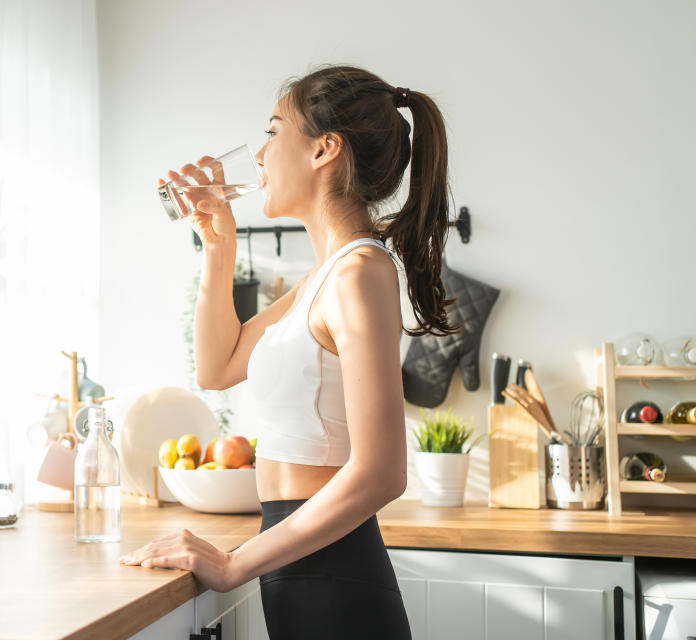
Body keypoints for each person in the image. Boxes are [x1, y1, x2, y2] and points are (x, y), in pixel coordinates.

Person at [120, 64, 457, 639]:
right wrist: (218, 246)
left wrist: (232, 564)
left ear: (325, 149)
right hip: (303, 566)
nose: (258, 156)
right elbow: (218, 366)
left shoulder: (359, 272)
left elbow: (382, 473)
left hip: (335, 577)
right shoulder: (322, 279)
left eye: (274, 131)